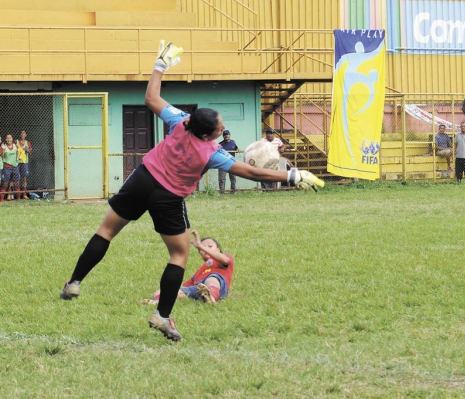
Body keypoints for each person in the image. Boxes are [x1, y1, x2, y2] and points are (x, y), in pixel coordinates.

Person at [59, 40, 324, 342]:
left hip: (142, 179)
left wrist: (160, 65)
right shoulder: (212, 153)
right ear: (209, 133)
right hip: (169, 198)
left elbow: (151, 97)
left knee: (106, 230)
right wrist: (292, 175)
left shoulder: (180, 121)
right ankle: (161, 316)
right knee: (179, 254)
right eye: (219, 127)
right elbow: (250, 171)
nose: (222, 129)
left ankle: (74, 283)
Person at [148, 230, 233, 304]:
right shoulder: (201, 270)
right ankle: (158, 302)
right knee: (164, 291)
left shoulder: (224, 257)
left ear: (218, 249)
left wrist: (200, 246)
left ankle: (212, 297)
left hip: (217, 286)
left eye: (210, 246)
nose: (205, 249)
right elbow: (185, 286)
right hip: (200, 288)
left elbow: (226, 261)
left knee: (211, 279)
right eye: (202, 249)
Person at [0, 134, 21, 202]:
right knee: (5, 184)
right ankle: (2, 200)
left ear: (12, 139)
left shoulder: (15, 146)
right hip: (7, 167)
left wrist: (20, 156)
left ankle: (18, 199)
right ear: (6, 140)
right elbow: (2, 156)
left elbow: (20, 153)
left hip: (15, 167)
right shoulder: (4, 147)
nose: (9, 139)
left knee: (17, 183)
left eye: (10, 138)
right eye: (7, 138)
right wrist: (3, 149)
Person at [16, 130, 32, 200]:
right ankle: (18, 195)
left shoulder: (27, 143)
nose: (23, 134)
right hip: (17, 162)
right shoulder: (16, 142)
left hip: (24, 162)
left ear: (26, 135)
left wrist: (26, 150)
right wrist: (24, 149)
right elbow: (16, 149)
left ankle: (24, 194)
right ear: (20, 135)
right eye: (21, 133)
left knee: (24, 178)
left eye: (24, 133)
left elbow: (29, 150)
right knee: (17, 179)